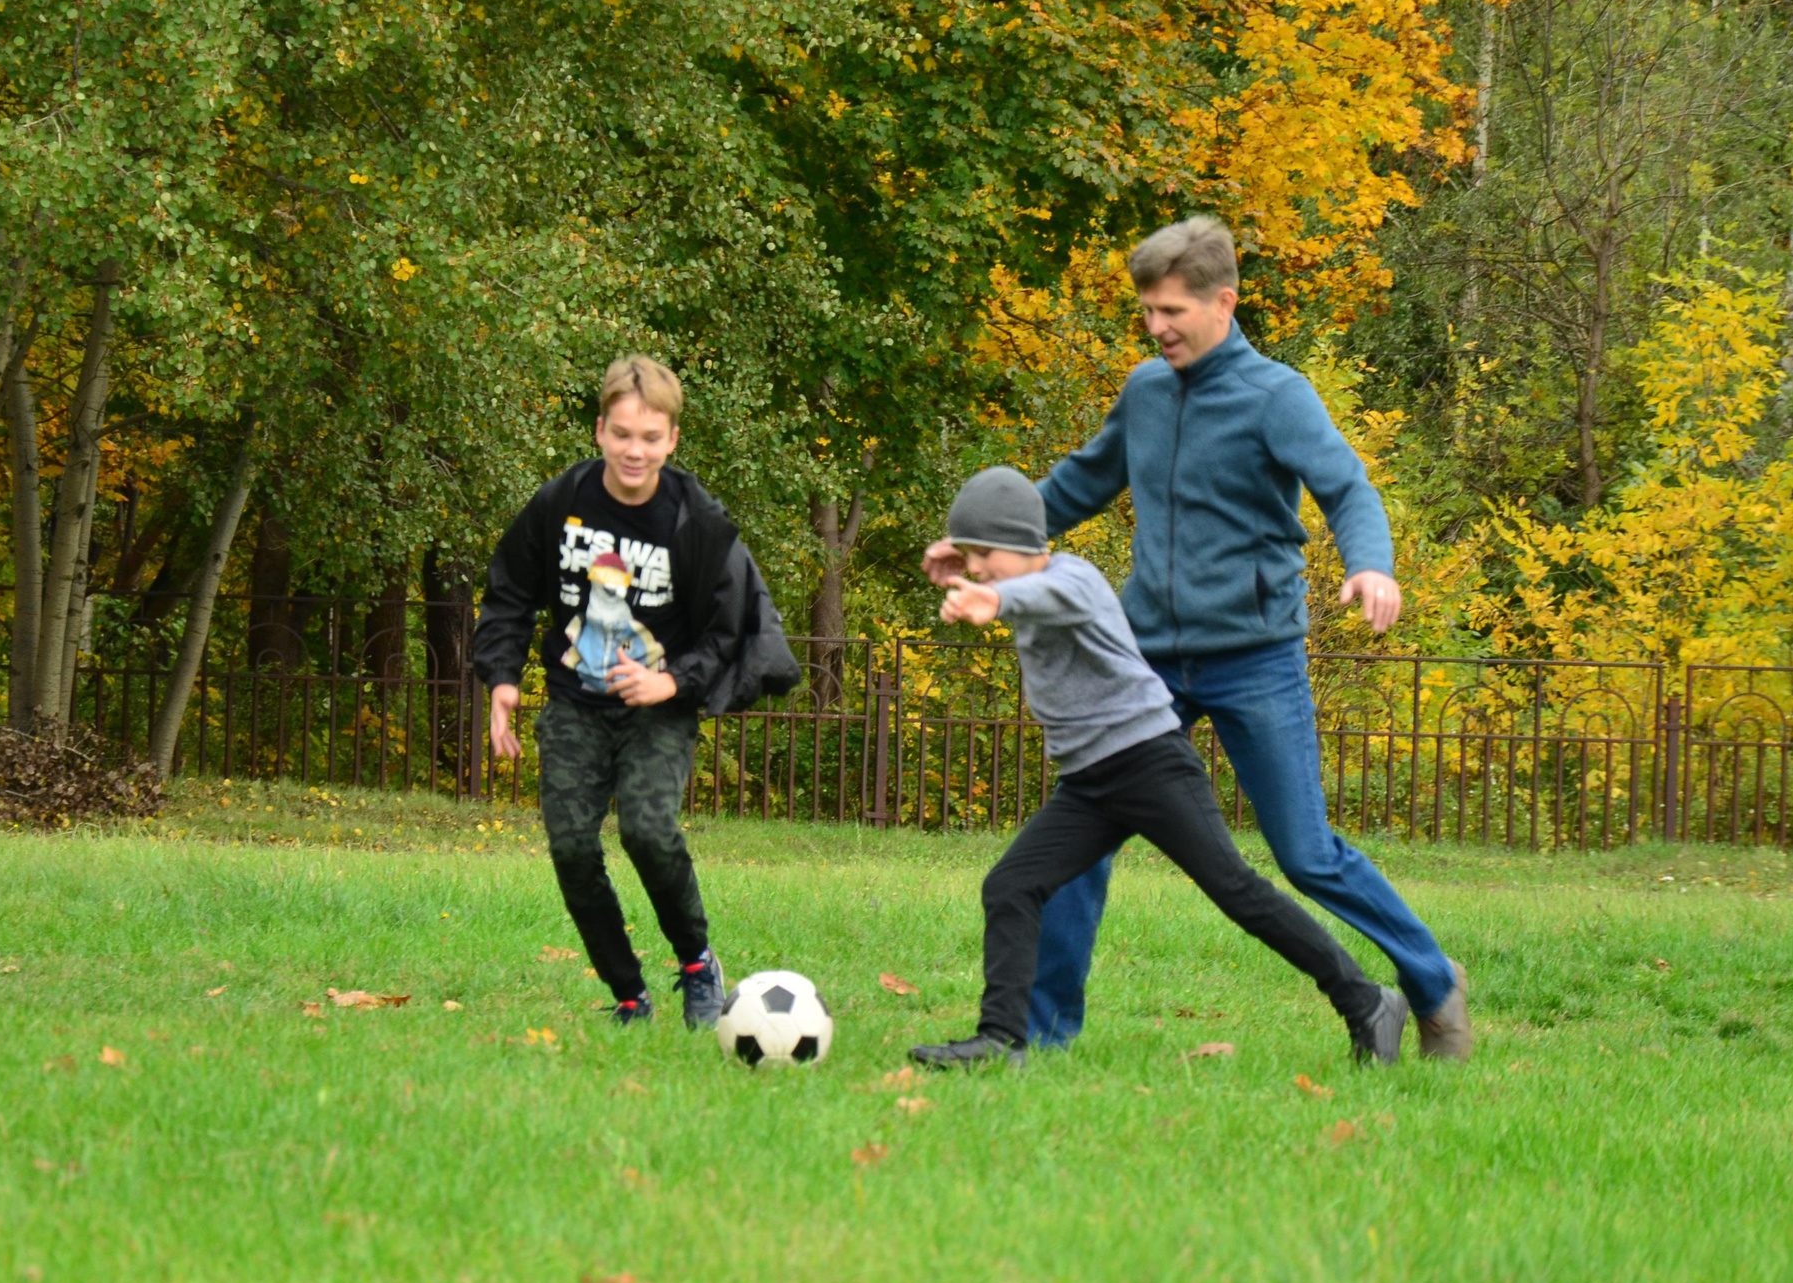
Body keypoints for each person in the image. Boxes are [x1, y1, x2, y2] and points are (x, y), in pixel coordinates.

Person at [925, 216, 1471, 1060]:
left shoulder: (1276, 396)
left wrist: (1372, 565)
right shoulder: (1145, 390)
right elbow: (1079, 482)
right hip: (1147, 664)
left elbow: (1346, 486)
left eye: (1173, 309)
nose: (1157, 326)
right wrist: (979, 545)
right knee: (1079, 845)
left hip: (1256, 656)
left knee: (1305, 853)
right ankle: (1037, 1033)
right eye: (1147, 309)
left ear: (1226, 301)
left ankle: (1429, 980)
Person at [909, 467, 1411, 1070]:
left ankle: (1367, 1003)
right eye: (970, 555)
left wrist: (992, 594)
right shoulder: (1012, 576)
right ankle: (1001, 1040)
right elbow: (1012, 583)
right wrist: (969, 561)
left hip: (1149, 763)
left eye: (984, 554)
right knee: (1011, 886)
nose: (977, 566)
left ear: (1024, 544)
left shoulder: (1074, 579)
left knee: (1238, 893)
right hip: (1091, 782)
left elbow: (1044, 595)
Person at [473, 354, 796, 1027]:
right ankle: (628, 994)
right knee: (571, 848)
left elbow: (733, 631)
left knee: (648, 832)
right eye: (623, 434)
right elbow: (508, 591)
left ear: (672, 439)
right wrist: (503, 679)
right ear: (599, 430)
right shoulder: (561, 502)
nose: (634, 451)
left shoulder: (696, 522)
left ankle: (697, 962)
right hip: (574, 706)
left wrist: (670, 680)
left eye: (651, 438)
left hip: (658, 711)